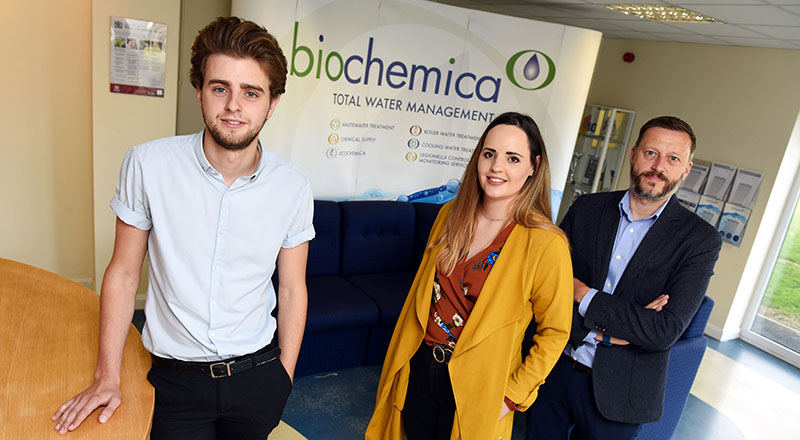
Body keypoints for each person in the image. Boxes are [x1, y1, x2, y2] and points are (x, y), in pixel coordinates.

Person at [52, 17, 314, 439]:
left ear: (273, 102)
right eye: (220, 88)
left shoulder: (294, 186)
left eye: (251, 92)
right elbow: (123, 272)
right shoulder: (148, 164)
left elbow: (292, 288)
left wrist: (283, 376)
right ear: (199, 91)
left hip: (258, 376)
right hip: (176, 382)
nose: (233, 106)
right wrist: (107, 375)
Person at [366, 112, 573, 440]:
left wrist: (511, 395)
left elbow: (555, 332)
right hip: (422, 366)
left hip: (482, 384)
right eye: (489, 154)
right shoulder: (450, 215)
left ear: (534, 166)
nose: (496, 167)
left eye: (512, 158)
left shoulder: (547, 242)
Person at [526, 116, 723, 439]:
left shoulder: (700, 240)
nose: (658, 166)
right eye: (651, 153)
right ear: (633, 154)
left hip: (623, 391)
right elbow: (543, 288)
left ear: (686, 170)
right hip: (554, 368)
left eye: (673, 159)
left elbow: (664, 330)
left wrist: (583, 294)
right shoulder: (587, 208)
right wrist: (611, 330)